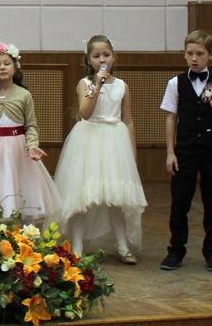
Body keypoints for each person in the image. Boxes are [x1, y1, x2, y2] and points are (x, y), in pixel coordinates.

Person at [53, 35, 146, 264]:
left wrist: (132, 152)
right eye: (96, 56)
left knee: (116, 196)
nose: (102, 59)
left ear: (114, 57)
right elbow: (85, 113)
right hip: (89, 140)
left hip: (115, 142)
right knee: (82, 195)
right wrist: (97, 84)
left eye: (106, 55)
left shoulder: (122, 86)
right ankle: (77, 246)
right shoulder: (85, 84)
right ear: (88, 59)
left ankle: (122, 245)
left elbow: (128, 120)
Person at [159, 29, 212, 273]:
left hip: (211, 152)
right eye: (190, 53)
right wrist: (170, 152)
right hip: (184, 151)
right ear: (184, 54)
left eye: (200, 53)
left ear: (210, 55)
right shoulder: (175, 83)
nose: (194, 58)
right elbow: (171, 118)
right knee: (179, 203)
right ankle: (175, 250)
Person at [0, 42, 61, 224]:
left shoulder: (24, 95)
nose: (2, 67)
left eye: (7, 63)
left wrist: (32, 145)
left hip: (20, 151)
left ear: (15, 66)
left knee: (23, 192)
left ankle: (22, 237)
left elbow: (31, 126)